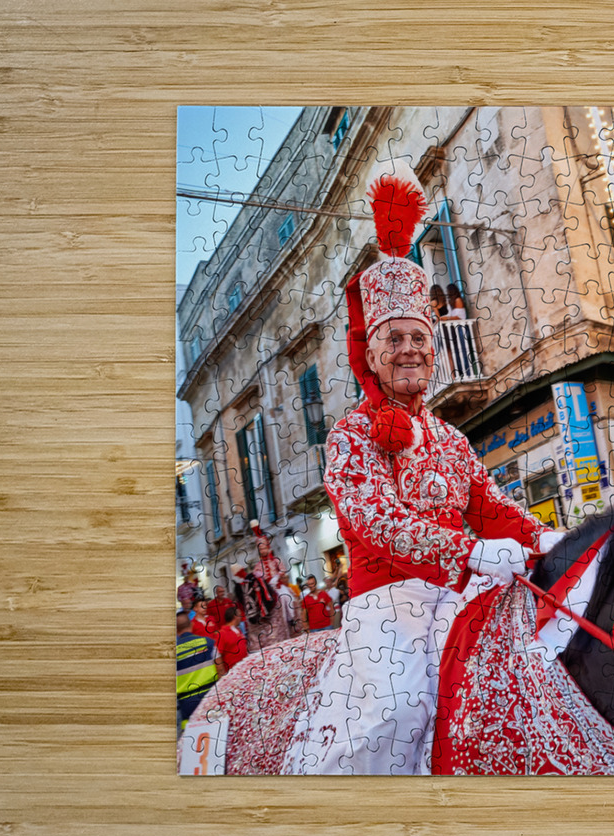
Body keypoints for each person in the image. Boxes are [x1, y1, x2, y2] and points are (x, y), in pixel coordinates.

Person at [283, 173, 563, 775]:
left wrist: (543, 538)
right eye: (396, 339)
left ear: (434, 348)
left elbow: (491, 506)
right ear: (372, 353)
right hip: (388, 609)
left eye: (419, 337)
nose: (410, 348)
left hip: (459, 593)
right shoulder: (351, 436)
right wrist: (472, 555)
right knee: (395, 716)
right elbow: (378, 522)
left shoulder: (452, 438)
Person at [176, 611, 219, 731]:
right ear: (191, 625)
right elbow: (221, 669)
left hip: (187, 704)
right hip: (211, 697)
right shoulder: (208, 643)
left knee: (192, 740)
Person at [215, 606, 249, 674]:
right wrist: (222, 674)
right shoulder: (221, 634)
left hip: (244, 669)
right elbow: (217, 656)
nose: (241, 618)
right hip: (232, 672)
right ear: (235, 616)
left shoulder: (238, 630)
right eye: (240, 615)